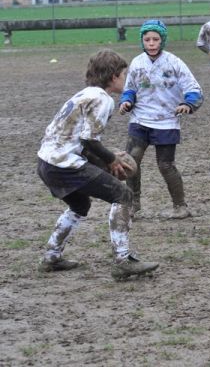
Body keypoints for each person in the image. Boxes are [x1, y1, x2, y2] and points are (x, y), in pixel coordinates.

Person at [37, 49, 159, 280]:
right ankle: (123, 260)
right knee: (122, 194)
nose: (127, 79)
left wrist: (104, 161)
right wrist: (111, 160)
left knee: (79, 205)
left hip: (46, 162)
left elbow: (81, 142)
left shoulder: (85, 93)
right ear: (113, 76)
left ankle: (51, 256)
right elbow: (88, 140)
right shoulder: (103, 99)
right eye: (125, 74)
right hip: (64, 164)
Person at [120, 20, 203, 220]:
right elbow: (130, 88)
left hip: (166, 122)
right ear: (142, 41)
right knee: (131, 162)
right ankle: (133, 204)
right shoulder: (137, 62)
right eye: (147, 39)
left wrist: (188, 104)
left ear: (162, 40)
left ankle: (180, 206)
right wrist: (127, 102)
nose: (151, 43)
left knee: (165, 165)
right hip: (140, 120)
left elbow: (193, 88)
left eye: (155, 39)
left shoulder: (174, 62)